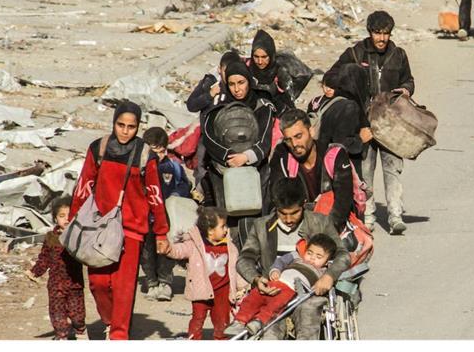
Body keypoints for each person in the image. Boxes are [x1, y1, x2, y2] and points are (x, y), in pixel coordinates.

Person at [68, 101, 170, 340]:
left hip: (132, 228)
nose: (125, 131)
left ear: (138, 127)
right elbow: (84, 186)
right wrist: (73, 220)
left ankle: (118, 335)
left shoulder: (146, 155)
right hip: (99, 227)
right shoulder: (99, 149)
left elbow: (155, 195)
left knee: (124, 288)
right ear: (113, 123)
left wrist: (162, 232)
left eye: (131, 126)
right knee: (98, 283)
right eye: (120, 125)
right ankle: (110, 321)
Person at [326, 10, 415, 234]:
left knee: (392, 168)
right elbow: (332, 75)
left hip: (390, 123)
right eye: (377, 33)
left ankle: (395, 216)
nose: (382, 38)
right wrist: (335, 86)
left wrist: (406, 89)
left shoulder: (399, 55)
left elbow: (409, 80)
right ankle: (368, 216)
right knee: (365, 171)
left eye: (386, 34)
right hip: (362, 123)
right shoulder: (355, 53)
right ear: (369, 32)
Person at [235, 181, 349, 340]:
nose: (288, 219)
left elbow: (343, 254)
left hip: (309, 292)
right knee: (270, 331)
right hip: (274, 290)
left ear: (303, 204)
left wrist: (329, 276)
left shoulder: (320, 222)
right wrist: (256, 278)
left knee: (308, 316)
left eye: (294, 213)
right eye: (282, 213)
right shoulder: (261, 226)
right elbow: (244, 258)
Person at [194, 59, 277, 217]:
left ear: (249, 81)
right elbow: (209, 136)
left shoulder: (262, 106)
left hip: (256, 171)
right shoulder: (218, 105)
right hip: (223, 172)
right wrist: (229, 157)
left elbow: (265, 141)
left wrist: (245, 157)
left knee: (256, 220)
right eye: (232, 84)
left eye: (241, 82)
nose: (237, 89)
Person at [229, 231, 340, 339]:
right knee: (253, 297)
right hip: (276, 283)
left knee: (275, 305)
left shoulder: (324, 272)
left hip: (292, 290)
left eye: (318, 256)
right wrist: (275, 270)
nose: (312, 258)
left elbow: (332, 279)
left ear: (327, 261)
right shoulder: (297, 256)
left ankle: (259, 321)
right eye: (309, 253)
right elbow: (280, 261)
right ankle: (239, 321)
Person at [268, 109, 356, 235]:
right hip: (299, 225)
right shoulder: (282, 156)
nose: (294, 144)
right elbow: (279, 196)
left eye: (299, 136)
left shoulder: (334, 154)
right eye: (288, 140)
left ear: (311, 131)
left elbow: (343, 201)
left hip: (335, 223)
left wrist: (324, 233)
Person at [165, 206, 243, 340]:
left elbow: (236, 268)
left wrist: (242, 287)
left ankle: (221, 339)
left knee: (222, 321)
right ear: (211, 231)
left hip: (222, 292)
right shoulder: (195, 245)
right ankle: (194, 339)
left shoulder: (230, 247)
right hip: (201, 291)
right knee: (198, 318)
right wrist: (168, 249)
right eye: (223, 226)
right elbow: (180, 250)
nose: (226, 230)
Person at [139, 126, 189, 302]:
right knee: (147, 252)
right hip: (145, 217)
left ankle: (165, 283)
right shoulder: (140, 167)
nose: (158, 155)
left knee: (166, 250)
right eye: (154, 151)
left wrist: (176, 195)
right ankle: (151, 282)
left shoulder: (173, 166)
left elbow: (184, 184)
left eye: (161, 151)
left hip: (167, 217)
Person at [26, 196, 85, 339]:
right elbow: (44, 258)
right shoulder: (51, 237)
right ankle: (62, 334)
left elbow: (88, 255)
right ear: (55, 218)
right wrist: (35, 272)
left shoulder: (79, 235)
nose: (66, 219)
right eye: (61, 216)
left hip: (74, 284)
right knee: (57, 312)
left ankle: (80, 330)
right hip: (55, 284)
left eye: (70, 216)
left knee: (77, 315)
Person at [309, 66, 371, 180]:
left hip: (318, 158)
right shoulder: (349, 106)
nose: (328, 89)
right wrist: (360, 139)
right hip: (340, 163)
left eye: (332, 86)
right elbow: (342, 142)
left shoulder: (319, 103)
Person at [247, 30, 294, 114]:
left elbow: (289, 103)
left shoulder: (280, 73)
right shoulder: (247, 70)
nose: (260, 61)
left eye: (264, 57)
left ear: (271, 55)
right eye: (256, 56)